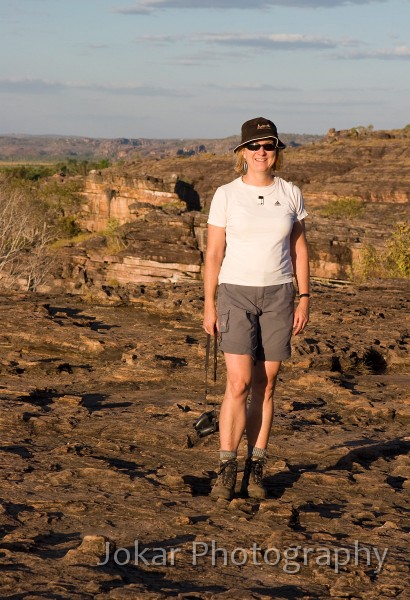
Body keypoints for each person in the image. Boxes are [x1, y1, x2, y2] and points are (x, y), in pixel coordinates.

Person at [203, 117, 310, 501]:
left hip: (280, 295)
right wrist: (209, 305)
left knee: (265, 387)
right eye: (254, 146)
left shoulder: (291, 193)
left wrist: (304, 296)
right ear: (242, 152)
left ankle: (255, 467)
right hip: (235, 294)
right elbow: (214, 254)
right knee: (238, 383)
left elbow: (299, 249)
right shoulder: (226, 194)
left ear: (276, 151)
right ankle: (226, 468)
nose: (261, 152)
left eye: (268, 145)